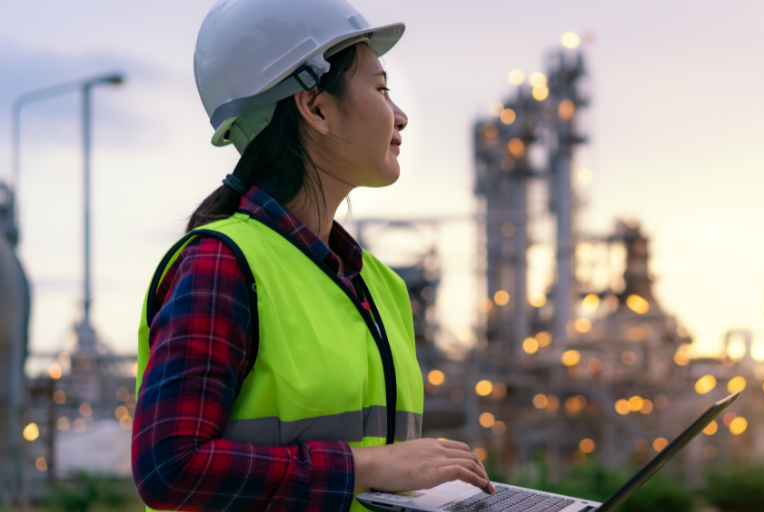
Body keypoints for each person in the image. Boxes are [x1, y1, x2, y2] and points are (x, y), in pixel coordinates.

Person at [131, 1, 493, 510]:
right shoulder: (224, 265)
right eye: (382, 88)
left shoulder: (380, 286)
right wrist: (364, 466)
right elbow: (170, 468)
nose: (401, 115)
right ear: (316, 107)